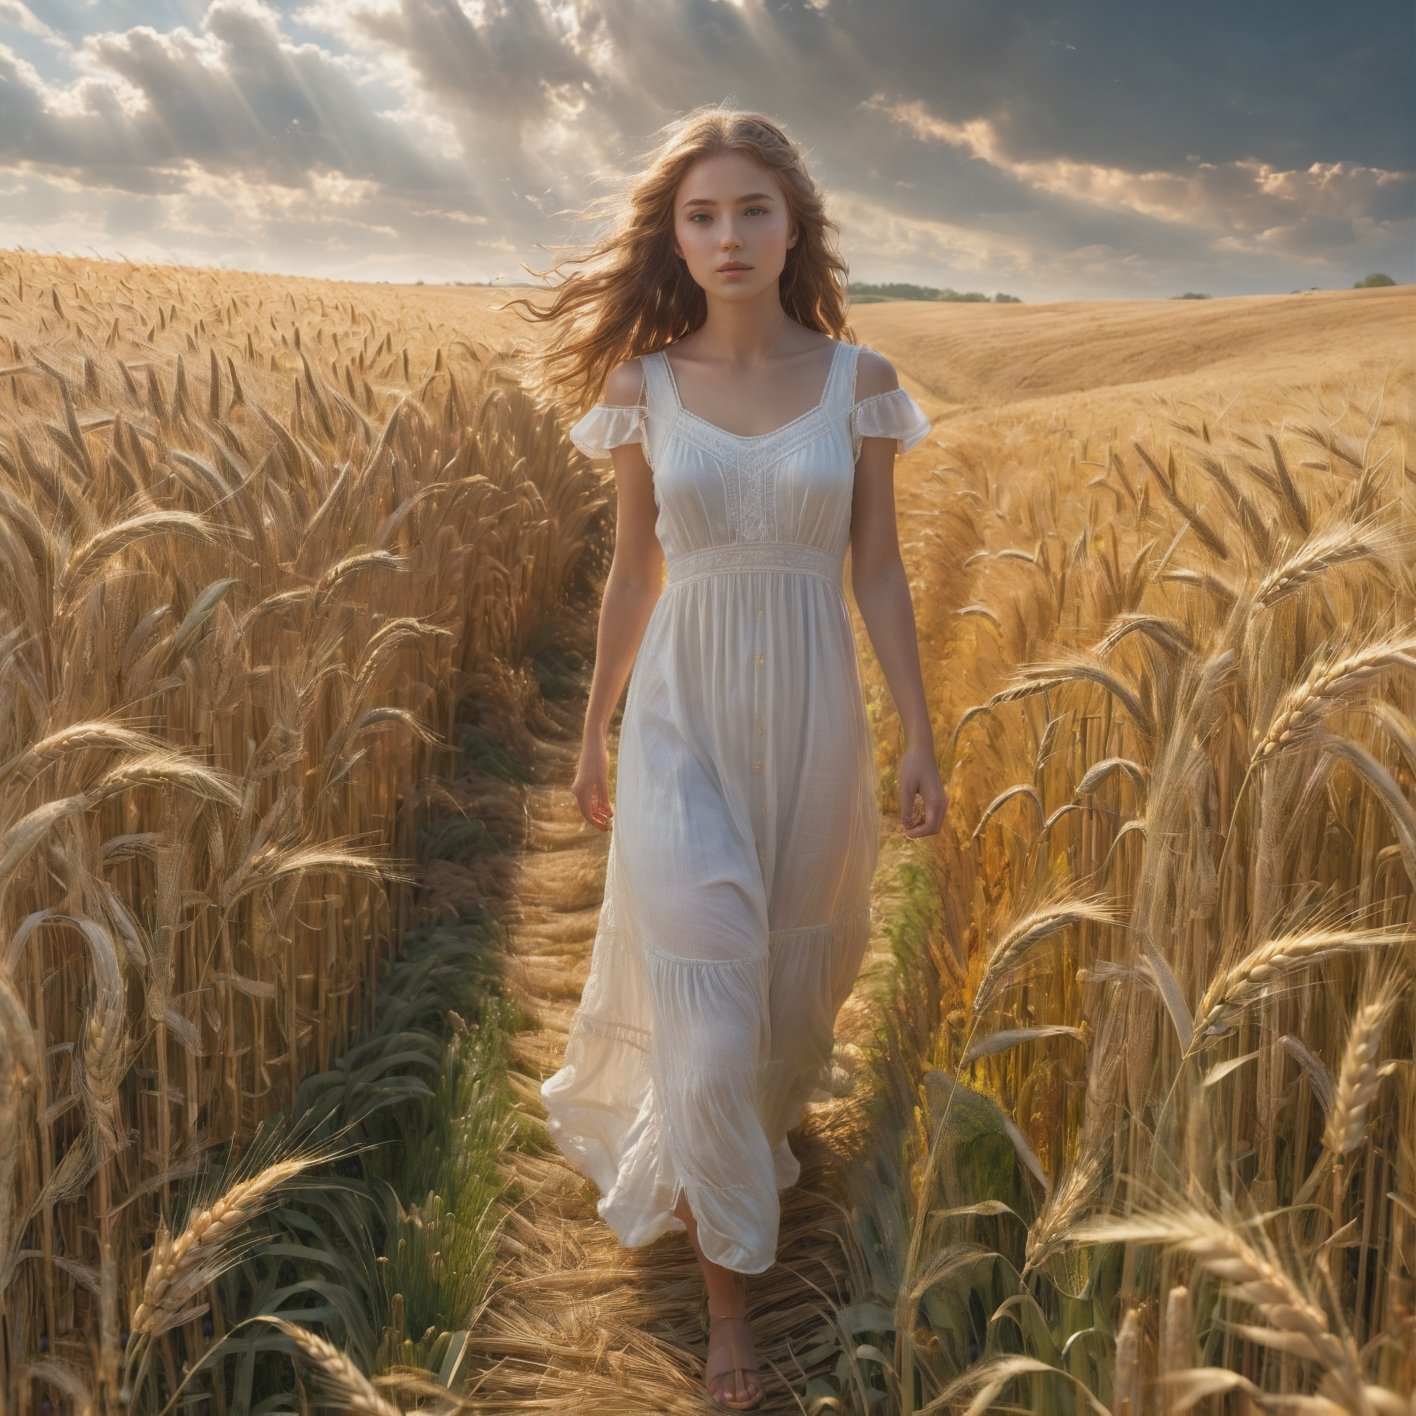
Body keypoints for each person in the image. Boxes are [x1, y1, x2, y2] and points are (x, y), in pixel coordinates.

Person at [505, 104, 947, 1409]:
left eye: (752, 207)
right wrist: (593, 725)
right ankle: (731, 1316)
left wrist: (918, 730)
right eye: (701, 213)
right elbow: (634, 572)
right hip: (685, 723)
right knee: (704, 1004)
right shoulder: (643, 388)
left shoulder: (857, 384)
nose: (728, 234)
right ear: (674, 236)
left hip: (810, 721)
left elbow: (875, 566)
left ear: (793, 221)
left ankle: (739, 1158)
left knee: (782, 1000)